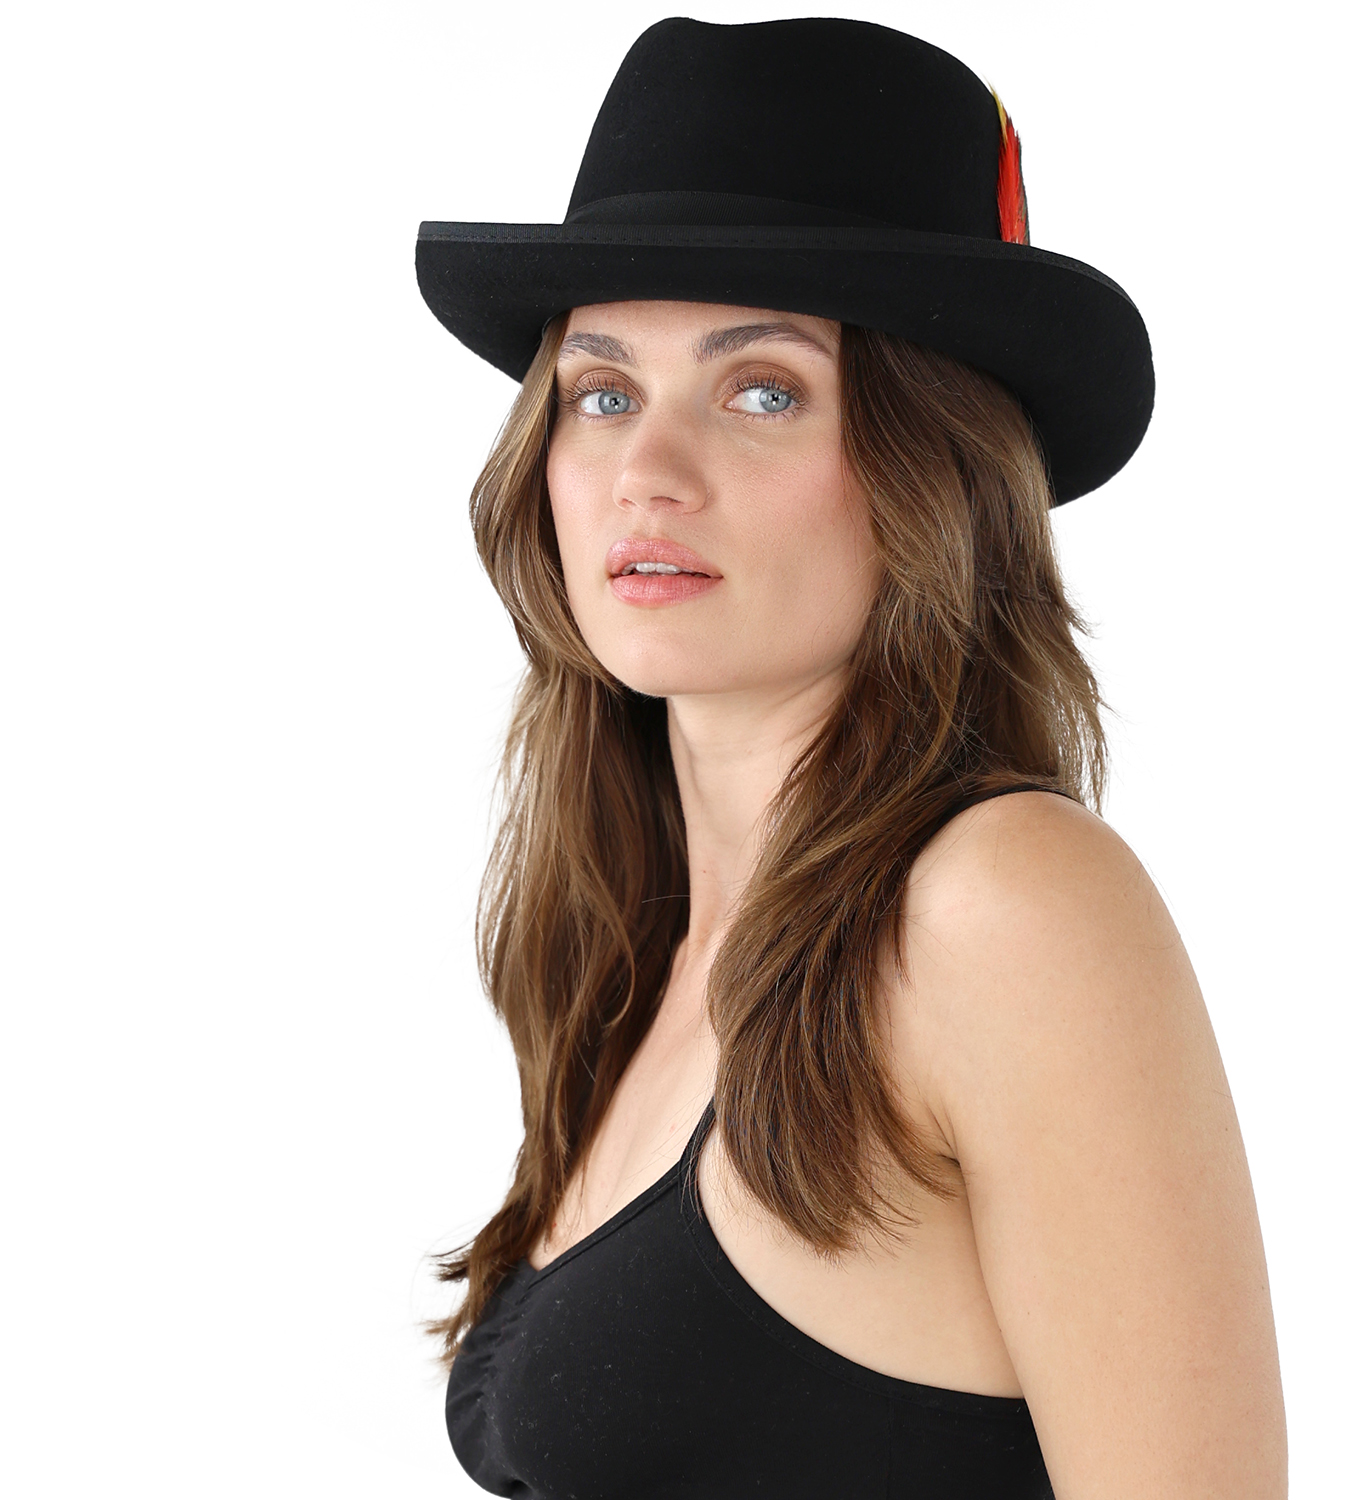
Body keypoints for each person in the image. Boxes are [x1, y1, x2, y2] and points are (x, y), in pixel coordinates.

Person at [415, 17, 1286, 1499]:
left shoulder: (1003, 907)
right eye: (602, 391)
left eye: (762, 389)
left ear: (927, 465)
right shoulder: (629, 950)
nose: (646, 472)